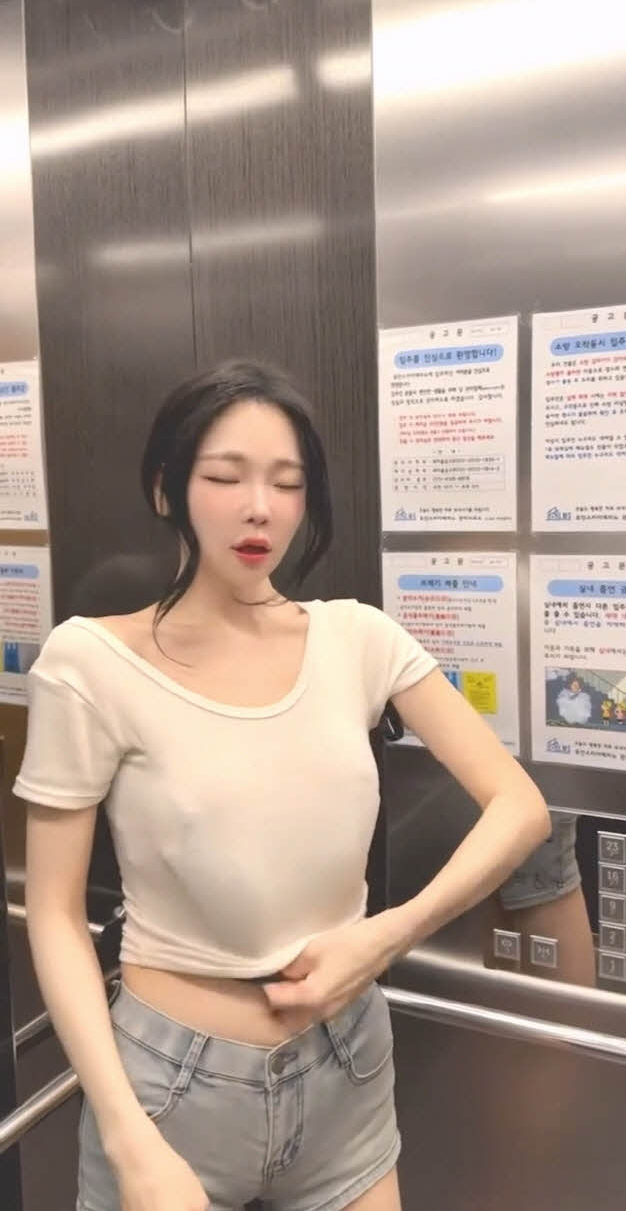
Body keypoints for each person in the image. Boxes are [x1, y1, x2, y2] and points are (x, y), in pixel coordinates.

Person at [15, 360, 551, 1211]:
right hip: (168, 1093)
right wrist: (126, 1136)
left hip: (349, 1069)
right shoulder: (90, 663)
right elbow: (52, 912)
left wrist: (386, 937)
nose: (259, 507)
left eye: (288, 483)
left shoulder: (359, 638)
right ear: (165, 488)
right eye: (225, 476)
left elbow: (519, 807)